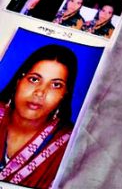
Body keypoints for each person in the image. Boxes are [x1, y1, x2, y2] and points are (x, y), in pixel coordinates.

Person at [0, 44, 78, 188]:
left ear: (64, 94)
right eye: (34, 79)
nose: (40, 92)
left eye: (56, 85)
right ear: (19, 81)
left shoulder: (71, 146)